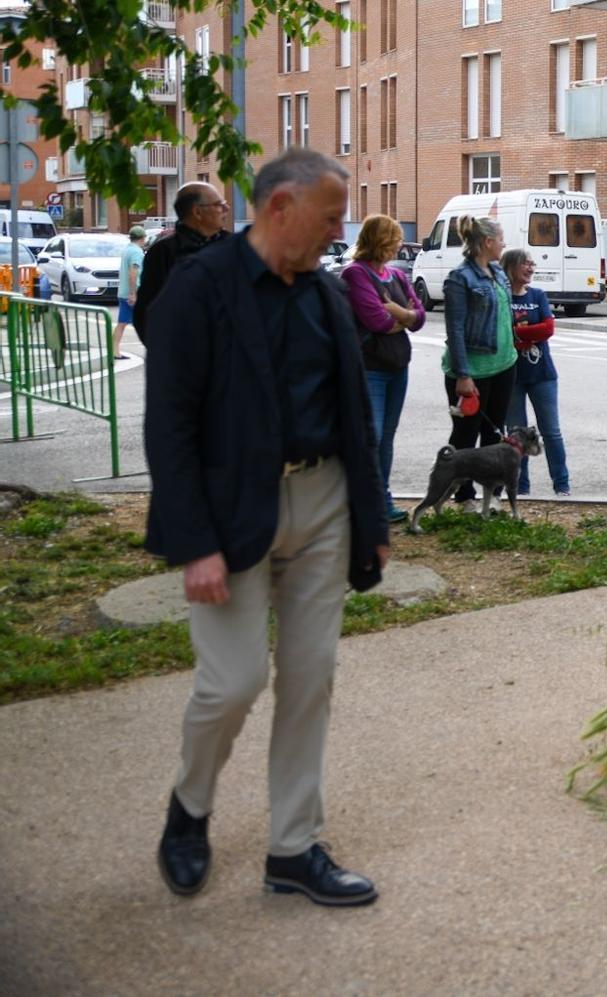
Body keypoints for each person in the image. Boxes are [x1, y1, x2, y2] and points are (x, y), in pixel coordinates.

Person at [146, 148, 387, 907]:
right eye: (329, 215)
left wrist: (371, 517)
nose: (336, 231)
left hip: (323, 503)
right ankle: (190, 806)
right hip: (229, 512)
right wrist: (194, 542)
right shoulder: (199, 288)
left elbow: (356, 416)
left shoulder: (322, 293)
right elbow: (170, 424)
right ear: (279, 207)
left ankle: (293, 847)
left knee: (311, 677)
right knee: (234, 680)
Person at [341, 213, 424, 522]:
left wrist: (399, 313)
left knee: (386, 437)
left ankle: (382, 498)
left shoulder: (397, 276)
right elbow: (376, 320)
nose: (399, 244)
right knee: (370, 436)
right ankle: (360, 502)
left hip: (397, 365)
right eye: (395, 238)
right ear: (380, 240)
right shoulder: (356, 274)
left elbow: (420, 318)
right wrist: (404, 318)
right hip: (370, 367)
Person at [441, 215, 517, 500]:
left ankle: (491, 495)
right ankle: (462, 494)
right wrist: (463, 374)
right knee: (465, 436)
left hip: (504, 367)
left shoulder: (498, 273)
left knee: (494, 435)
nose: (504, 243)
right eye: (500, 239)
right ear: (487, 242)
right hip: (471, 371)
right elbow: (455, 329)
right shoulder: (459, 278)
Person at [502, 247, 571, 496]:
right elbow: (501, 332)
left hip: (542, 374)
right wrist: (529, 333)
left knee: (551, 431)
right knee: (516, 435)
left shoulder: (539, 295)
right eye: (526, 264)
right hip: (511, 376)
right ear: (511, 267)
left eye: (532, 264)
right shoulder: (502, 297)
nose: (531, 268)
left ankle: (562, 486)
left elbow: (548, 329)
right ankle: (520, 489)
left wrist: (516, 334)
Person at [134, 181, 228, 344]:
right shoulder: (163, 253)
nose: (226, 209)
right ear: (197, 212)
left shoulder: (233, 247)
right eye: (218, 205)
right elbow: (147, 313)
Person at [114, 225, 146, 358]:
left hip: (123, 292)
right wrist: (133, 293)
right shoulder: (136, 252)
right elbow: (133, 272)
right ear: (143, 238)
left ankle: (114, 350)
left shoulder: (127, 249)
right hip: (133, 293)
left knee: (122, 323)